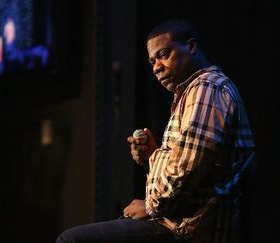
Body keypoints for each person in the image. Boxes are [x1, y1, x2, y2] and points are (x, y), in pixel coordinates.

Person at [56, 19, 255, 243]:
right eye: (152, 61)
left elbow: (183, 173)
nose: (156, 67)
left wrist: (150, 208)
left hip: (189, 231)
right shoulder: (193, 92)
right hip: (178, 224)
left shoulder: (207, 88)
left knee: (71, 240)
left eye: (163, 54)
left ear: (191, 46)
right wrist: (152, 156)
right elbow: (190, 167)